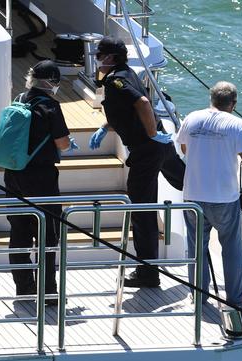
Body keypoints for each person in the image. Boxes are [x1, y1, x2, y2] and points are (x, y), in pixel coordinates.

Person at [88, 36, 185, 288]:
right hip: (161, 145)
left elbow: (142, 103)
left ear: (110, 58)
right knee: (187, 179)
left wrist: (150, 134)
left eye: (99, 55)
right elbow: (128, 109)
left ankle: (148, 274)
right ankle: (236, 201)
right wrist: (106, 126)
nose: (97, 59)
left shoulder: (114, 80)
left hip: (146, 150)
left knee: (142, 212)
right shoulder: (127, 73)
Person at [175, 81, 242, 306]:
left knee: (196, 247)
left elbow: (184, 148)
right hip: (224, 198)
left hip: (193, 195)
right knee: (232, 249)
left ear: (211, 99)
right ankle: (234, 298)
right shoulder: (237, 125)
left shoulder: (192, 118)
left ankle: (199, 294)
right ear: (233, 103)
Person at [5, 60, 74, 305]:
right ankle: (49, 292)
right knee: (46, 234)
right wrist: (68, 142)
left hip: (13, 174)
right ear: (51, 82)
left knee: (19, 233)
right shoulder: (50, 106)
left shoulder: (19, 99)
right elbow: (63, 143)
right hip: (41, 178)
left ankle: (24, 288)